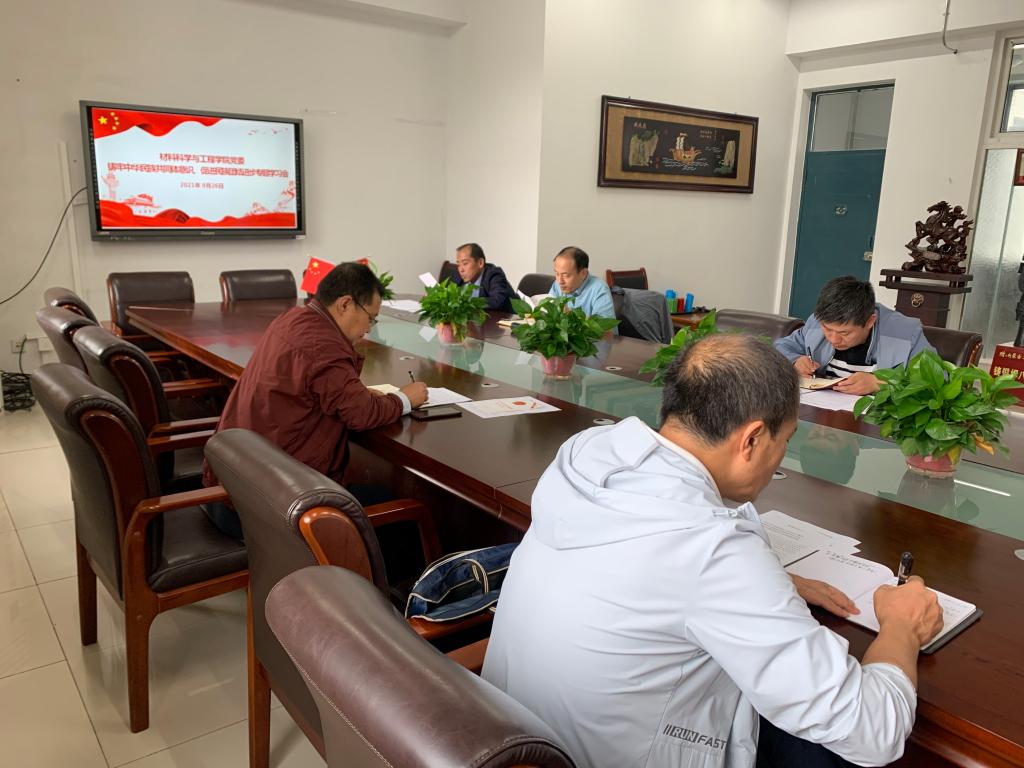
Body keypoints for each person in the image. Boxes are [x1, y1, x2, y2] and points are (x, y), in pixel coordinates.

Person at [483, 334, 943, 768]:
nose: (781, 458)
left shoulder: (587, 452)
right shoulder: (713, 550)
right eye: (785, 442)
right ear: (752, 439)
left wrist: (768, 581)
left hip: (512, 735)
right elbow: (872, 730)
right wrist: (902, 627)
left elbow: (647, 563)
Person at [201, 262, 428, 537]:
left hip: (234, 488)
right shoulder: (324, 344)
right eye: (371, 318)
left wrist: (359, 394)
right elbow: (361, 414)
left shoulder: (295, 318)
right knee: (407, 513)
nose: (369, 329)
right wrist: (405, 398)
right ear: (346, 304)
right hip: (264, 512)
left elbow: (314, 386)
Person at [776, 275, 935, 396]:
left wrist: (881, 383)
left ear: (870, 321)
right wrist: (795, 360)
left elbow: (937, 379)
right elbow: (780, 347)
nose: (833, 339)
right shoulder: (818, 321)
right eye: (827, 329)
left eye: (844, 333)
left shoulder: (905, 333)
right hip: (824, 414)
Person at [549, 245, 616, 322]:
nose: (560, 281)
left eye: (566, 275)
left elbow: (605, 327)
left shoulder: (599, 288)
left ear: (583, 273)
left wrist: (572, 316)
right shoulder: (557, 284)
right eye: (557, 273)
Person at [451, 242, 515, 312]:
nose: (461, 269)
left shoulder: (494, 274)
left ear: (480, 263)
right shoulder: (460, 278)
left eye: (465, 263)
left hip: (511, 317)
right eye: (458, 265)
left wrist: (468, 302)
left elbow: (497, 301)